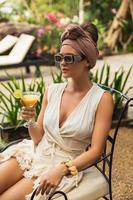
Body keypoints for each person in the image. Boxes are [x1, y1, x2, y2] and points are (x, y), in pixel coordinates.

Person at [0, 23, 114, 200]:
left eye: (69, 58)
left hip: (60, 163)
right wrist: (30, 121)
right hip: (33, 152)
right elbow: (38, 137)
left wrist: (61, 170)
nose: (62, 63)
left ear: (87, 61)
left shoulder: (102, 99)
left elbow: (96, 151)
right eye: (60, 57)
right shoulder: (52, 90)